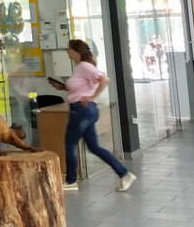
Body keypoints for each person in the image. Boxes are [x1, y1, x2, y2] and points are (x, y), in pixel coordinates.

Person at [50, 39, 136, 192]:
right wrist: (63, 88)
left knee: (70, 144)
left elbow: (105, 79)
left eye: (69, 49)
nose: (67, 51)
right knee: (94, 147)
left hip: (82, 111)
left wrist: (92, 97)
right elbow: (80, 89)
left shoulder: (85, 66)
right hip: (84, 111)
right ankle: (124, 174)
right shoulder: (79, 68)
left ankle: (70, 180)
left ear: (77, 51)